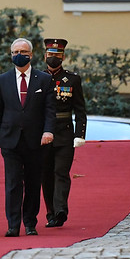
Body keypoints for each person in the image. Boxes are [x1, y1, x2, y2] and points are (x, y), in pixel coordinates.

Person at [0, 38, 56, 237]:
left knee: (33, 182)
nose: (19, 54)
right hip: (10, 139)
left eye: (23, 51)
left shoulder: (43, 80)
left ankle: (30, 223)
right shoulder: (2, 80)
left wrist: (48, 130)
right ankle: (13, 224)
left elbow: (49, 109)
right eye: (15, 51)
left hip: (36, 140)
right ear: (11, 55)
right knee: (13, 183)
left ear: (31, 55)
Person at [41, 38, 87, 228]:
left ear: (63, 57)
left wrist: (80, 134)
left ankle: (61, 210)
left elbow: (80, 109)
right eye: (50, 55)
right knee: (46, 174)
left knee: (61, 172)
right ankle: (50, 212)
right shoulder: (39, 78)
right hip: (44, 132)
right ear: (45, 56)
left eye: (57, 56)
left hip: (65, 131)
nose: (53, 58)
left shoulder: (72, 79)